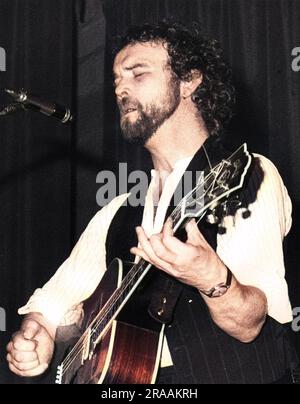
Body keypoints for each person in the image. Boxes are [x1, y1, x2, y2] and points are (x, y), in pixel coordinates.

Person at [6, 21, 297, 384]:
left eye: (137, 73)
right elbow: (52, 303)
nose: (121, 88)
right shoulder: (118, 210)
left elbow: (250, 324)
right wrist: (39, 335)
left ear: (189, 80)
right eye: (116, 80)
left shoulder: (246, 175)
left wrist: (212, 279)